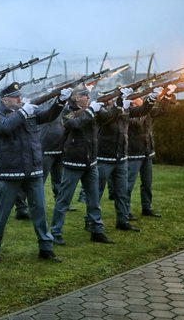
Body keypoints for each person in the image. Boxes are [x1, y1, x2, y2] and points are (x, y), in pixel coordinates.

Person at [0, 82, 69, 263]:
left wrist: (60, 102)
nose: (19, 99)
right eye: (15, 97)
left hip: (33, 169)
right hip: (11, 172)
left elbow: (48, 115)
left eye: (19, 96)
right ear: (5, 99)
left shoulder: (27, 110)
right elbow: (5, 128)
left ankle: (45, 247)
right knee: (2, 213)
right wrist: (23, 112)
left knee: (39, 210)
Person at [49, 87, 114, 245]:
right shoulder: (67, 111)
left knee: (94, 200)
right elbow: (76, 124)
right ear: (76, 98)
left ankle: (96, 230)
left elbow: (108, 118)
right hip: (73, 161)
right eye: (84, 95)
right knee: (64, 200)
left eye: (88, 95)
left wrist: (118, 103)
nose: (88, 97)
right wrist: (92, 109)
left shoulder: (91, 110)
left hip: (90, 161)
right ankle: (55, 232)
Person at [96, 86, 157, 233]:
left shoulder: (124, 108)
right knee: (96, 193)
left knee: (122, 192)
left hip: (121, 157)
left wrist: (151, 99)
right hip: (104, 158)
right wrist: (119, 102)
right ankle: (91, 222)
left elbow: (142, 111)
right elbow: (110, 116)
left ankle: (122, 220)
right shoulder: (101, 111)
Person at [126, 84, 177, 218]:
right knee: (128, 185)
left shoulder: (145, 109)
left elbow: (162, 111)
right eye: (136, 98)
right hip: (133, 152)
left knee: (147, 184)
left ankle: (147, 207)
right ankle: (125, 210)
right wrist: (144, 106)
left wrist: (166, 96)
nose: (138, 99)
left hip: (147, 150)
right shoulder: (128, 112)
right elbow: (137, 122)